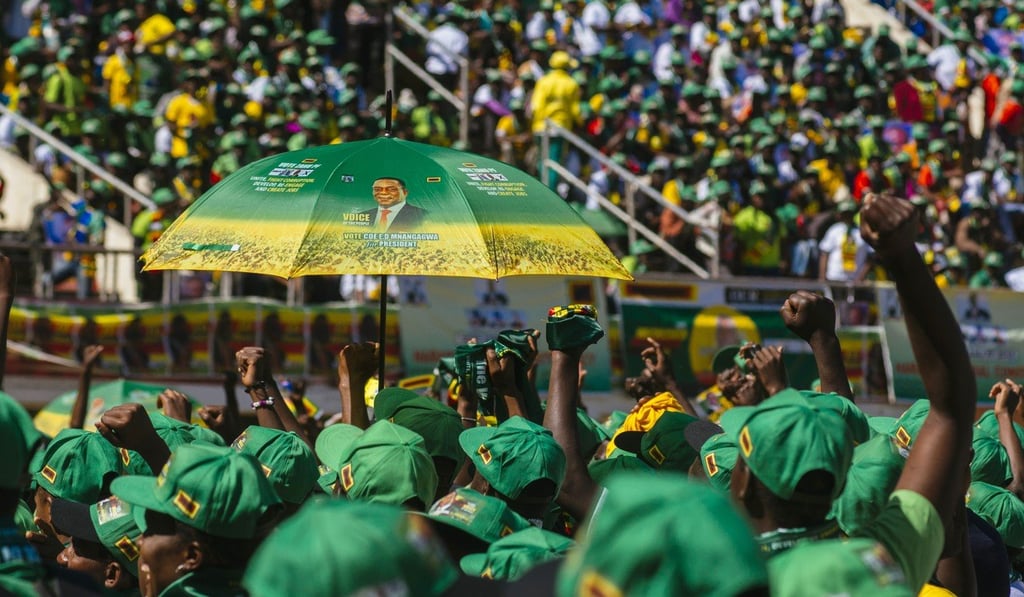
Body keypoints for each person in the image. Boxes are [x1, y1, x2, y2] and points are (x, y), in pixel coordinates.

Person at [358, 177, 428, 232]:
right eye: (377, 189)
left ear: (405, 192)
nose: (383, 193)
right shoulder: (361, 216)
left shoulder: (423, 216)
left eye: (391, 189)